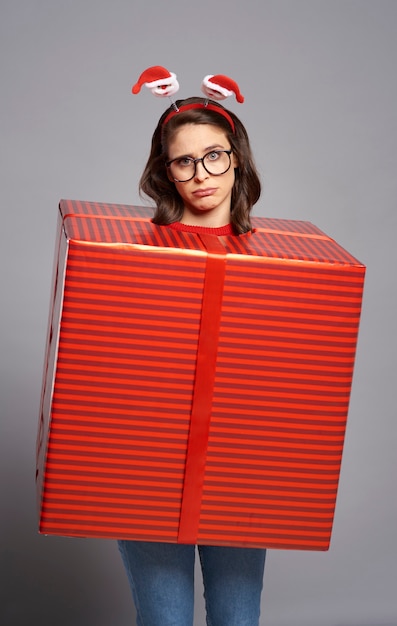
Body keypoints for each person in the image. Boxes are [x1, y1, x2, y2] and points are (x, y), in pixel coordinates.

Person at [118, 88, 266, 626]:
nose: (202, 173)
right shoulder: (132, 259)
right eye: (184, 160)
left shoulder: (276, 268)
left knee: (237, 620)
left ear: (236, 159)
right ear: (167, 171)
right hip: (148, 468)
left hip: (239, 467)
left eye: (214, 155)